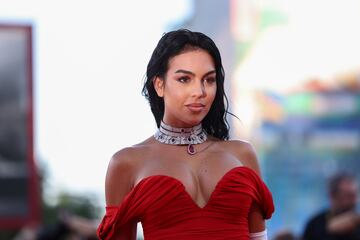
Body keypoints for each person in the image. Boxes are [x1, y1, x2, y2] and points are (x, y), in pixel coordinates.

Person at [96, 29, 274, 240]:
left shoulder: (242, 154)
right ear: (159, 85)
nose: (199, 91)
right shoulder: (126, 163)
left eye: (209, 80)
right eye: (184, 79)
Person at [302, 172, 360, 240]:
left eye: (354, 195)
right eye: (348, 196)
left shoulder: (357, 224)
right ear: (332, 195)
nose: (353, 201)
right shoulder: (315, 225)